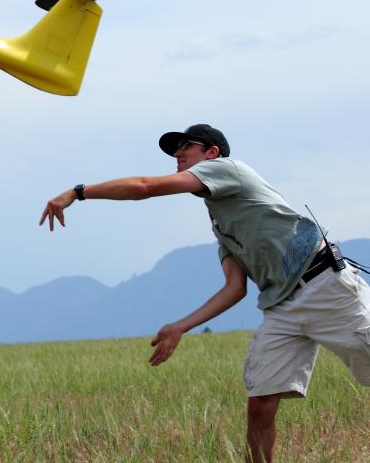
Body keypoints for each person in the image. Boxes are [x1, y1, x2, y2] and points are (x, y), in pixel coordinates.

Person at [39, 123, 370, 463]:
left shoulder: (230, 169)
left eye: (186, 146)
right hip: (282, 306)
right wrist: (180, 326)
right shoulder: (221, 222)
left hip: (326, 287)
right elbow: (234, 288)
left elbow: (143, 188)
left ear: (212, 153)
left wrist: (77, 192)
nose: (177, 154)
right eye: (174, 150)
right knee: (260, 403)